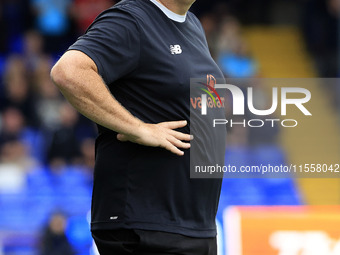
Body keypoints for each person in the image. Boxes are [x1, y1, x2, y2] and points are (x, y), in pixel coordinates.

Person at [50, 0, 226, 254]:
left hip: (194, 225)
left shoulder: (193, 25)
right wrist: (137, 127)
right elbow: (68, 71)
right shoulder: (131, 18)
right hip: (146, 224)